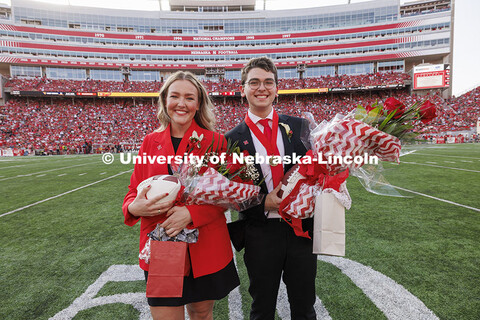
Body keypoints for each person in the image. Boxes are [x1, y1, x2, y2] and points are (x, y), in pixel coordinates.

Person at [122, 71, 239, 320]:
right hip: (162, 244)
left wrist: (191, 213)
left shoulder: (216, 142)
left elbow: (228, 197)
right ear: (165, 100)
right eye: (175, 96)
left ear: (198, 104)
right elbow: (133, 191)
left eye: (189, 97)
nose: (181, 103)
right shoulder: (149, 142)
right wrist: (133, 208)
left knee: (201, 313)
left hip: (205, 246)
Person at [226, 57, 317, 320]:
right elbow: (227, 193)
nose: (261, 88)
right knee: (262, 308)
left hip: (301, 230)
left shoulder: (301, 126)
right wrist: (263, 202)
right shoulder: (230, 140)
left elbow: (319, 169)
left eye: (268, 82)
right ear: (242, 88)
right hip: (259, 233)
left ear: (277, 88)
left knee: (304, 307)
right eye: (253, 82)